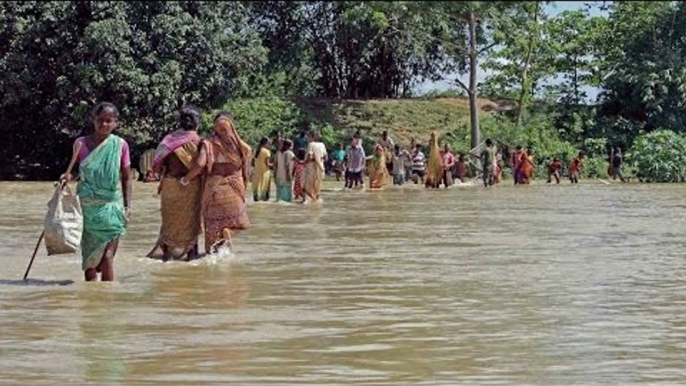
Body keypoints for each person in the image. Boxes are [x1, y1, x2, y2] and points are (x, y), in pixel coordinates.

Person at [60, 102, 131, 281]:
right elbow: (79, 171)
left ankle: (109, 304)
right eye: (101, 120)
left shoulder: (120, 145)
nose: (104, 124)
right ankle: (91, 302)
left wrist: (128, 206)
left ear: (115, 123)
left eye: (109, 121)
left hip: (111, 208)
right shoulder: (80, 144)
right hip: (87, 209)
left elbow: (126, 177)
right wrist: (67, 177)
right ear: (93, 120)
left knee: (107, 258)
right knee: (91, 262)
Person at [183, 112, 251, 251]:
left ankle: (211, 258)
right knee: (238, 223)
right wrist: (244, 190)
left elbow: (200, 164)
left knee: (212, 228)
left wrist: (185, 179)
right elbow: (246, 174)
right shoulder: (243, 147)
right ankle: (228, 232)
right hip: (235, 187)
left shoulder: (209, 143)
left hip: (214, 188)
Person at [147, 105, 202, 261]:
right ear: (198, 122)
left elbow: (158, 163)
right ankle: (192, 256)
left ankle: (168, 257)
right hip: (191, 186)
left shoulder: (169, 141)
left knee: (170, 222)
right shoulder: (199, 142)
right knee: (192, 222)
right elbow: (202, 166)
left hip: (170, 185)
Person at [303, 131, 328, 202]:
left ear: (312, 137)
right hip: (321, 168)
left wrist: (304, 162)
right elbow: (326, 157)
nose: (308, 138)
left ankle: (311, 202)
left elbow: (310, 157)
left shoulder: (311, 144)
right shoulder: (322, 145)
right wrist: (319, 159)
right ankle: (316, 202)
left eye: (309, 137)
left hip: (311, 169)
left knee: (308, 188)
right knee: (317, 188)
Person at [252, 136, 272, 202]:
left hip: (256, 173)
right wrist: (275, 165)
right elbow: (267, 164)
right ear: (266, 143)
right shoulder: (266, 152)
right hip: (265, 173)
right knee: (264, 195)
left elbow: (253, 163)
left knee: (256, 193)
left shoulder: (255, 150)